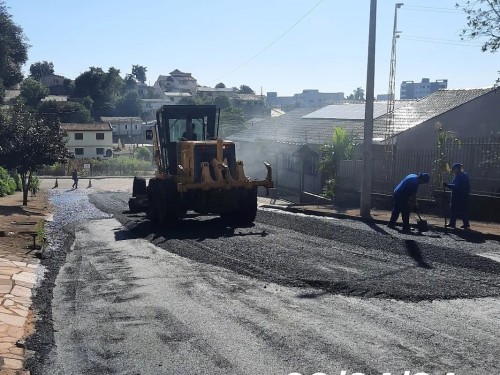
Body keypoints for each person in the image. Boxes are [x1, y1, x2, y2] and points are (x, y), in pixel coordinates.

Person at [443, 162, 470, 229]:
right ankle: (465, 223)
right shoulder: (463, 175)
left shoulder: (459, 176)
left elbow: (456, 186)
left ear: (457, 169)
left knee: (455, 209)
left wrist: (447, 185)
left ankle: (453, 223)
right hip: (463, 195)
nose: (453, 170)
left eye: (454, 169)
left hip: (458, 195)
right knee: (461, 209)